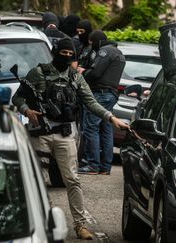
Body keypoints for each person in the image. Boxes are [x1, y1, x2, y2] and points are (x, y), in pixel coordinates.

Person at [12, 38, 128, 240]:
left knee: (73, 180)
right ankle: (38, 223)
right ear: (55, 52)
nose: (66, 57)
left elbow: (90, 102)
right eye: (63, 53)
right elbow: (18, 97)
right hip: (41, 133)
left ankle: (80, 225)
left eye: (70, 54)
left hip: (65, 133)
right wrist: (26, 110)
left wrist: (111, 118)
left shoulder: (75, 77)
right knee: (36, 180)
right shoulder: (38, 73)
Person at [77, 30, 126, 175]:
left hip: (100, 94)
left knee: (91, 127)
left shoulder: (104, 51)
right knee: (106, 129)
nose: (91, 46)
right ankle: (105, 166)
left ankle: (92, 165)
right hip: (111, 95)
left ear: (96, 41)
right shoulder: (118, 52)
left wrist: (83, 71)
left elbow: (95, 73)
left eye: (92, 43)